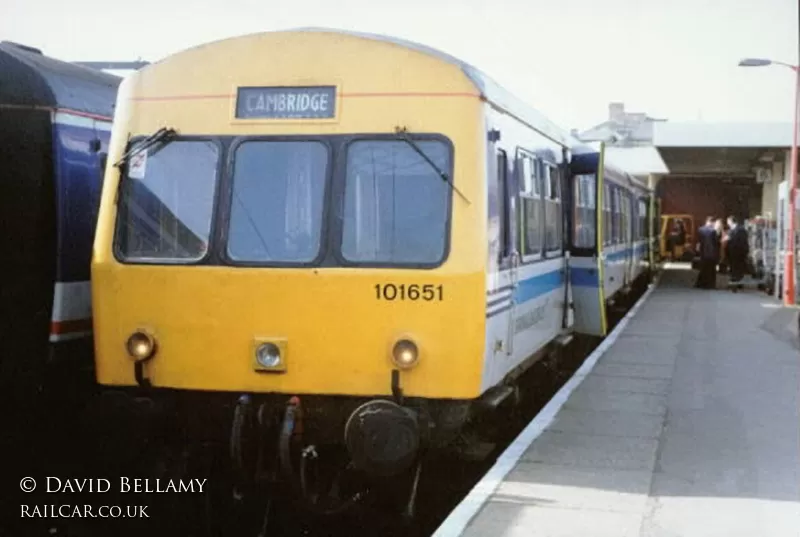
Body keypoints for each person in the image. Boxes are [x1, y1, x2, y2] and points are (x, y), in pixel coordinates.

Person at [695, 216, 720, 289]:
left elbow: (699, 242)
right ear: (712, 222)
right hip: (712, 253)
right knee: (712, 270)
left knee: (703, 268)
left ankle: (701, 284)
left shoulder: (700, 229)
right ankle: (711, 285)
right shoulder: (713, 231)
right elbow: (716, 242)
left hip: (703, 253)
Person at [726, 215, 749, 282]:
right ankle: (735, 278)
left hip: (738, 252)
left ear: (731, 221)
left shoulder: (740, 229)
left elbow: (742, 241)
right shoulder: (732, 230)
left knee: (738, 266)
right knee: (734, 266)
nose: (727, 223)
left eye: (728, 222)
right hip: (733, 252)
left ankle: (737, 280)